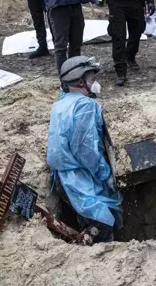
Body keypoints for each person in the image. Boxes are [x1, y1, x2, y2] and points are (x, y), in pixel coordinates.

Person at [47, 56, 123, 244]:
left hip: (64, 178)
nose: (95, 84)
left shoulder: (61, 104)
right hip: (78, 181)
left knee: (92, 220)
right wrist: (105, 174)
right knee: (104, 226)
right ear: (80, 81)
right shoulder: (84, 106)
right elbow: (85, 149)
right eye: (92, 80)